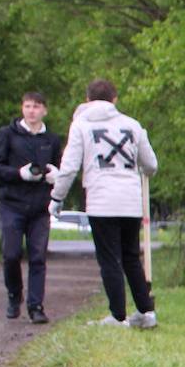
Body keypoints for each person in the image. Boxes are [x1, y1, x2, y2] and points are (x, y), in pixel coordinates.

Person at [48, 78, 158, 329]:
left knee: (110, 259)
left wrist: (57, 197)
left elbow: (69, 167)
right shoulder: (132, 125)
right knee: (131, 256)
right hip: (131, 200)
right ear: (115, 99)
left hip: (101, 200)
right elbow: (151, 165)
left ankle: (118, 316)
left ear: (87, 100)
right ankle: (145, 311)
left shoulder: (81, 126)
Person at [0, 91, 64, 324]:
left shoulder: (51, 140)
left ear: (44, 110)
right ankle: (15, 295)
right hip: (11, 204)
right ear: (22, 108)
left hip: (39, 207)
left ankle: (36, 306)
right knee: (11, 254)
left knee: (37, 257)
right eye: (27, 106)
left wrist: (56, 176)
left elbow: (59, 168)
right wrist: (18, 174)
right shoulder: (7, 135)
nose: (31, 111)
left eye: (36, 106)